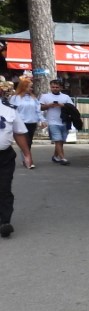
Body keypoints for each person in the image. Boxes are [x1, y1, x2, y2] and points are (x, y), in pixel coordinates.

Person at [0, 77, 31, 238]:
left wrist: (26, 154)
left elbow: (19, 133)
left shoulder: (9, 109)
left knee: (4, 188)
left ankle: (4, 222)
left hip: (4, 156)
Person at [9, 76, 41, 169]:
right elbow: (12, 110)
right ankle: (29, 161)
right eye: (29, 87)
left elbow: (38, 110)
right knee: (25, 142)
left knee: (29, 142)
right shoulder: (15, 98)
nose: (31, 89)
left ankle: (26, 159)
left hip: (32, 122)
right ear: (23, 87)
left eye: (31, 87)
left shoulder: (33, 98)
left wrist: (42, 120)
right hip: (21, 122)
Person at [39, 79, 72, 165]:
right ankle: (62, 158)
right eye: (53, 87)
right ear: (50, 87)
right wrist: (48, 105)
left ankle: (55, 156)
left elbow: (72, 108)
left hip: (64, 121)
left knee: (61, 141)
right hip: (52, 122)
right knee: (57, 140)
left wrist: (62, 105)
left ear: (61, 87)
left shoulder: (65, 97)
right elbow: (40, 108)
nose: (55, 89)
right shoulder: (45, 96)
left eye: (57, 87)